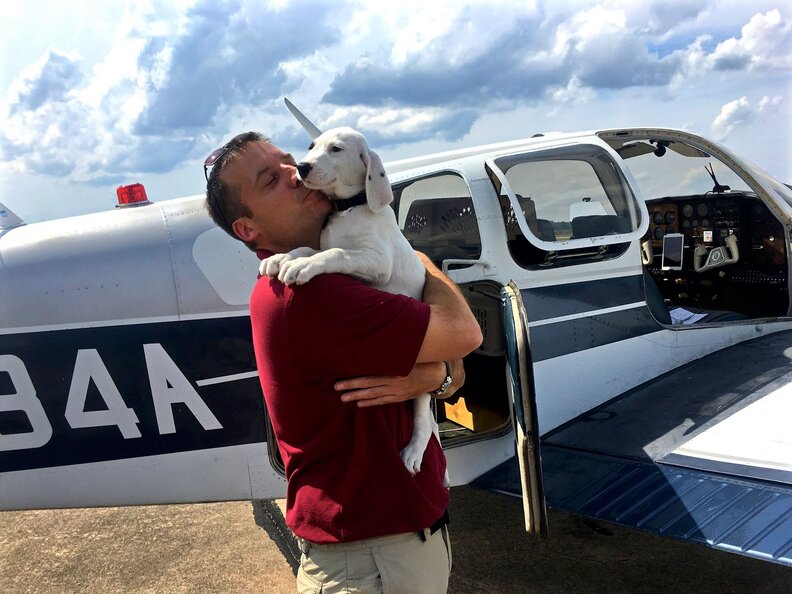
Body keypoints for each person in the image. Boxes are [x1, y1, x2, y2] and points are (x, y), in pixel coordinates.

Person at [204, 132, 482, 594]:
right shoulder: (313, 292)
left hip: (388, 544)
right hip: (376, 557)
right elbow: (464, 332)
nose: (298, 174)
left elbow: (450, 360)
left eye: (290, 162)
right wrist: (421, 260)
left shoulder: (320, 276)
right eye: (271, 180)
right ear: (248, 230)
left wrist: (439, 373)